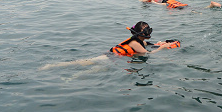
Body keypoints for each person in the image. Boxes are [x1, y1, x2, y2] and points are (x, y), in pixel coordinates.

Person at [39, 21, 177, 70]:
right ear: (140, 33)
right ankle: (52, 66)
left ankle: (70, 79)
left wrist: (159, 43)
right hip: (109, 57)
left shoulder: (138, 41)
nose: (148, 33)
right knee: (82, 63)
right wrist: (161, 48)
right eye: (146, 30)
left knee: (93, 69)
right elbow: (147, 54)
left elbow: (148, 44)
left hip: (113, 58)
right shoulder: (135, 43)